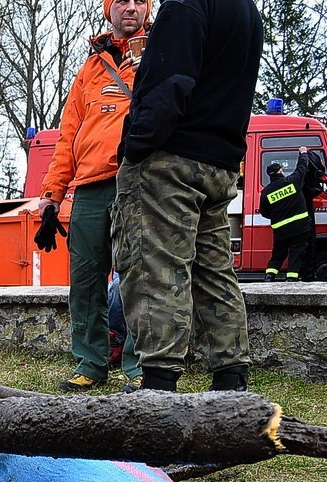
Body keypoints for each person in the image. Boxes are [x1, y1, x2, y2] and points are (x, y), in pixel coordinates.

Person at [112, 0, 262, 392]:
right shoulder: (246, 11)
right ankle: (231, 383)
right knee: (214, 271)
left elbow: (169, 83)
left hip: (170, 161)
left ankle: (158, 390)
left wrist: (136, 147)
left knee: (154, 268)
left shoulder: (185, 4)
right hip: (219, 163)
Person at [39, 0, 149, 392]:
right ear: (109, 10)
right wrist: (52, 193)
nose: (131, 8)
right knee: (85, 278)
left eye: (139, 0)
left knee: (138, 276)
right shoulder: (89, 69)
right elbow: (68, 135)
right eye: (122, 1)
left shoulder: (160, 52)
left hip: (138, 182)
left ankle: (140, 367)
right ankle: (91, 361)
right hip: (88, 188)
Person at [258, 146, 312, 282]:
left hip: (281, 230)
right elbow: (302, 168)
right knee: (296, 252)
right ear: (280, 171)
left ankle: (269, 276)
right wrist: (303, 153)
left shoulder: (266, 192)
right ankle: (291, 279)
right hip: (300, 227)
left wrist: (277, 216)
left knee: (278, 254)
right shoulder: (292, 181)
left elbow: (264, 212)